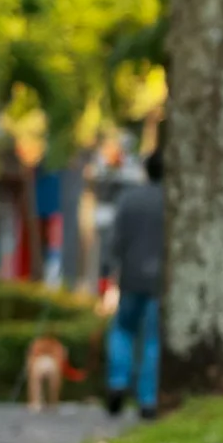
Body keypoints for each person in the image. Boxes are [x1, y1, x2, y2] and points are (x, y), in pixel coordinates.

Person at [98, 150, 164, 419]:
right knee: (152, 340)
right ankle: (147, 400)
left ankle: (117, 383)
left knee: (122, 331)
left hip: (130, 278)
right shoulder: (176, 201)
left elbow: (114, 240)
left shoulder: (129, 199)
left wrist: (106, 269)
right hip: (160, 282)